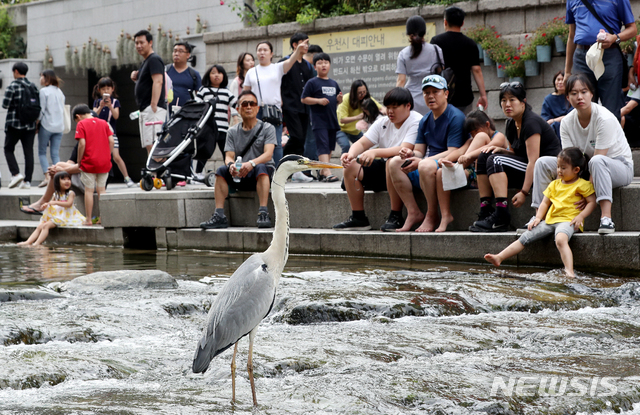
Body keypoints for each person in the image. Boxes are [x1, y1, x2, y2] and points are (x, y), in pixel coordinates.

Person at [531, 74, 633, 234]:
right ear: (567, 96)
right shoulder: (566, 123)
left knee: (597, 160)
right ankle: (538, 216)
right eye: (574, 93)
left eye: (584, 92)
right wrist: (562, 193)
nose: (579, 97)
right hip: (585, 166)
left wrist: (583, 194)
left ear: (591, 94)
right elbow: (569, 161)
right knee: (542, 163)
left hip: (618, 166)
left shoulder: (604, 118)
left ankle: (606, 219)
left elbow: (598, 159)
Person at [485, 148, 596, 278]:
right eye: (558, 167)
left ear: (576, 170)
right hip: (550, 220)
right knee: (526, 236)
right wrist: (538, 218)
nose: (559, 171)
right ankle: (499, 257)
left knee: (560, 239)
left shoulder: (582, 185)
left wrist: (581, 216)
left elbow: (591, 202)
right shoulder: (554, 184)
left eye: (563, 168)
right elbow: (544, 203)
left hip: (569, 220)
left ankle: (569, 271)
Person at [470, 82, 562, 232]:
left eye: (512, 100)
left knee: (496, 160)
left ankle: (501, 215)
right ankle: (485, 210)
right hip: (525, 166)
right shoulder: (511, 123)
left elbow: (533, 161)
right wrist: (501, 149)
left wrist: (524, 192)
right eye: (504, 100)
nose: (507, 104)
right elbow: (516, 154)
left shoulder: (530, 122)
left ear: (523, 102)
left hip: (544, 172)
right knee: (485, 155)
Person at [333, 87, 422, 231]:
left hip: (405, 169)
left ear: (408, 106)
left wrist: (375, 152)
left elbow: (404, 149)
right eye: (388, 107)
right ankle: (359, 218)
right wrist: (350, 155)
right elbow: (362, 143)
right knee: (350, 166)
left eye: (395, 107)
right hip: (385, 168)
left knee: (392, 161)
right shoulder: (383, 122)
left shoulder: (416, 120)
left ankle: (396, 215)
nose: (390, 111)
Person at [386, 75, 467, 232]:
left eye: (435, 92)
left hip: (449, 166)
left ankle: (431, 214)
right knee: (395, 162)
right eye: (426, 92)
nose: (430, 96)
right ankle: (413, 211)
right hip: (429, 165)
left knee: (424, 165)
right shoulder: (425, 120)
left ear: (446, 93)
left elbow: (453, 152)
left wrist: (423, 160)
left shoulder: (455, 117)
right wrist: (410, 153)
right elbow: (419, 152)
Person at [200, 91, 277, 230]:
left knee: (261, 167)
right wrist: (231, 165)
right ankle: (219, 216)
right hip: (241, 173)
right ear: (238, 108)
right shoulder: (232, 131)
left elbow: (268, 155)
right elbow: (228, 156)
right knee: (221, 171)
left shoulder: (267, 128)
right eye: (245, 104)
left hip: (262, 171)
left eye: (252, 104)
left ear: (257, 108)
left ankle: (263, 213)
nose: (249, 107)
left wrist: (251, 163)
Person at [565, 0, 637, 121]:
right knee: (582, 106)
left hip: (609, 54)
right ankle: (587, 140)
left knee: (611, 109)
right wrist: (567, 71)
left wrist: (615, 38)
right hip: (582, 56)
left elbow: (632, 29)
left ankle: (610, 139)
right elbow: (572, 35)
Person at [243, 39, 310, 165]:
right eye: (259, 50)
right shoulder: (251, 72)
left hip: (274, 110)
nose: (262, 53)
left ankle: (276, 172)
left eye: (265, 50)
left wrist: (297, 50)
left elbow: (291, 61)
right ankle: (259, 169)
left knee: (276, 143)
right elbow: (245, 94)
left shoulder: (277, 68)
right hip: (256, 111)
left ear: (271, 53)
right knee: (257, 142)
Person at [430, 6, 488, 114]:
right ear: (462, 23)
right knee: (463, 127)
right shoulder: (470, 44)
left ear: (445, 22)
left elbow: (433, 68)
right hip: (464, 96)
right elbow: (476, 70)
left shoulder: (436, 41)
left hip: (442, 95)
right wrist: (483, 95)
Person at [301, 52, 343, 182]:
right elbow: (304, 99)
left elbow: (336, 101)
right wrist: (318, 101)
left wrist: (339, 100)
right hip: (319, 120)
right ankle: (328, 171)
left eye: (326, 62)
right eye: (320, 63)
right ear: (315, 67)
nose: (323, 65)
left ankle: (323, 170)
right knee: (323, 145)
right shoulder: (312, 82)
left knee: (330, 146)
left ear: (329, 65)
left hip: (332, 119)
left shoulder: (333, 83)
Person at [17, 171, 86, 246]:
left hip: (65, 217)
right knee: (40, 226)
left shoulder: (70, 193)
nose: (67, 181)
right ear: (57, 182)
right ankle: (28, 242)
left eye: (68, 179)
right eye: (64, 179)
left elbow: (69, 204)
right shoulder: (56, 194)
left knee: (46, 226)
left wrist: (55, 203)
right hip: (57, 215)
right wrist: (46, 205)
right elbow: (51, 203)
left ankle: (37, 243)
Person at [72, 104, 114, 226]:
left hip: (89, 162)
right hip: (104, 162)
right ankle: (103, 218)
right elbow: (111, 141)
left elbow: (82, 144)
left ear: (78, 116)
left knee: (89, 191)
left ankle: (88, 219)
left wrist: (79, 161)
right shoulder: (104, 123)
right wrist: (108, 155)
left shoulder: (82, 124)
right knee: (102, 190)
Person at [195, 64, 238, 179]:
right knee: (205, 151)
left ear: (223, 76)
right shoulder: (203, 90)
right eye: (213, 73)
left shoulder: (227, 92)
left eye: (219, 73)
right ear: (208, 76)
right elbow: (196, 106)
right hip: (208, 129)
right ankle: (198, 173)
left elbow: (237, 105)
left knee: (227, 153)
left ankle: (231, 173)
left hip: (223, 128)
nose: (216, 75)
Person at [396, 15, 444, 116]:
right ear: (424, 32)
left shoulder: (403, 54)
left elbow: (401, 80)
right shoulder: (436, 49)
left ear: (409, 34)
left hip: (412, 99)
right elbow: (441, 70)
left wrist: (395, 100)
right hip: (433, 95)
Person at [92, 77, 135, 187]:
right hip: (99, 134)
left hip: (111, 133)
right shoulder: (97, 102)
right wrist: (101, 106)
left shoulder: (115, 102)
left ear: (112, 89)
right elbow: (93, 115)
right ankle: (98, 180)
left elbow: (116, 116)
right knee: (100, 157)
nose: (106, 91)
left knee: (116, 156)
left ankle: (127, 178)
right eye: (103, 89)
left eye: (108, 88)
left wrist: (110, 106)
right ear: (99, 90)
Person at [279, 33, 314, 162]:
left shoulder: (307, 65)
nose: (306, 46)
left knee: (301, 138)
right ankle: (282, 159)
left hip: (304, 107)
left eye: (307, 43)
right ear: (295, 45)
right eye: (304, 43)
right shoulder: (285, 62)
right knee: (297, 136)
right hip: (290, 105)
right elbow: (277, 81)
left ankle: (295, 169)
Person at [3, 62, 38, 189]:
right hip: (30, 125)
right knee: (28, 152)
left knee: (8, 148)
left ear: (16, 71)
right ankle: (27, 181)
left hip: (14, 124)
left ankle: (16, 173)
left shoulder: (13, 86)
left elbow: (5, 105)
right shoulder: (33, 86)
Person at [130, 29, 166, 154]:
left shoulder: (154, 59)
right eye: (136, 43)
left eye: (141, 42)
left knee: (154, 145)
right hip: (146, 109)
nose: (139, 46)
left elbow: (158, 81)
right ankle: (154, 173)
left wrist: (153, 105)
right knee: (149, 146)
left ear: (150, 42)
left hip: (153, 110)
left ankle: (159, 174)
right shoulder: (147, 61)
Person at [336, 80, 384, 153]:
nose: (362, 95)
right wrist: (357, 117)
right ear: (354, 93)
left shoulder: (366, 98)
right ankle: (345, 163)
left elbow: (380, 107)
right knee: (346, 146)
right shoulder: (346, 99)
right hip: (341, 130)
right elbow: (342, 119)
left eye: (364, 92)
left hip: (355, 131)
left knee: (366, 145)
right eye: (359, 93)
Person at [37, 69, 65, 188]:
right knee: (55, 153)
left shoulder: (44, 91)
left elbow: (41, 110)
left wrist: (36, 124)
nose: (40, 79)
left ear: (46, 78)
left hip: (47, 125)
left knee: (42, 152)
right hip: (59, 126)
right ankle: (58, 177)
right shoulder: (60, 92)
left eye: (42, 76)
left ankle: (47, 177)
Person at [166, 41, 202, 113]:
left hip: (187, 113)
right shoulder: (165, 71)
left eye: (180, 51)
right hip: (165, 113)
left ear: (188, 55)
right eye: (175, 51)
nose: (176, 54)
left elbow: (200, 96)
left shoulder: (194, 74)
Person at [541, 71, 571, 137]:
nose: (560, 82)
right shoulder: (548, 99)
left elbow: (572, 115)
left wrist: (553, 120)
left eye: (563, 79)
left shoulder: (572, 97)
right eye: (558, 79)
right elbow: (545, 120)